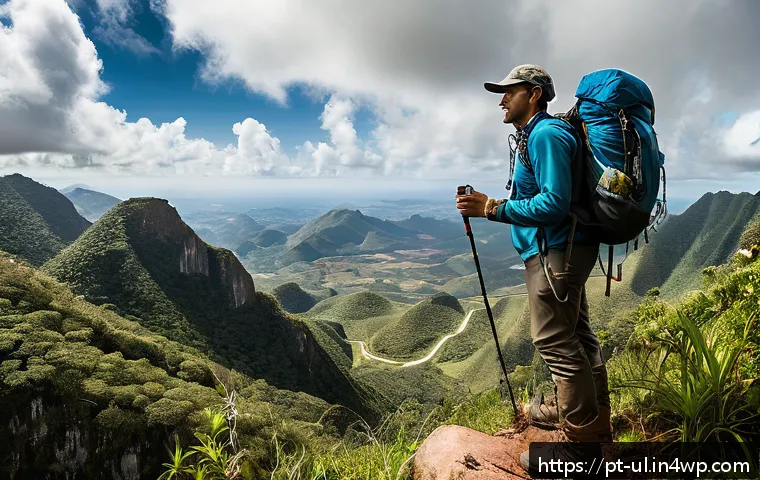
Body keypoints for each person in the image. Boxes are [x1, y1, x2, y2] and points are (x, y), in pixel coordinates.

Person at [455, 64, 613, 468]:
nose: (502, 99)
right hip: (562, 249)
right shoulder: (538, 135)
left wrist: (492, 208)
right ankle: (593, 425)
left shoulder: (545, 134)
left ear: (535, 94)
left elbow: (554, 202)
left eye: (510, 91)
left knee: (554, 341)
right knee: (578, 336)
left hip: (554, 252)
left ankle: (579, 451)